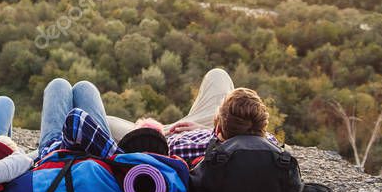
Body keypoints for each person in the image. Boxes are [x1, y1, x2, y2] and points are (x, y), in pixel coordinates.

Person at [106, 68, 275, 163]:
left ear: (219, 124)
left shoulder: (184, 148)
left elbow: (159, 147)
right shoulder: (270, 143)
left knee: (107, 122)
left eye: (220, 107)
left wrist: (159, 132)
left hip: (164, 137)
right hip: (211, 132)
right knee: (218, 75)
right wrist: (204, 129)